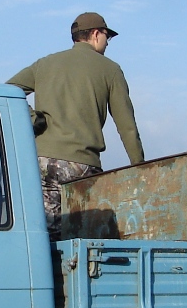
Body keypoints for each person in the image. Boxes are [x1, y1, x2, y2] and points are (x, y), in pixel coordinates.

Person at [8, 12, 145, 238]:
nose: (107, 42)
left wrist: (33, 119)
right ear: (95, 34)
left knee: (47, 235)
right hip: (83, 166)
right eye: (107, 36)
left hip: (42, 163)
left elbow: (9, 90)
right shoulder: (110, 69)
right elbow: (127, 126)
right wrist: (140, 167)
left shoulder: (45, 63)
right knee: (83, 239)